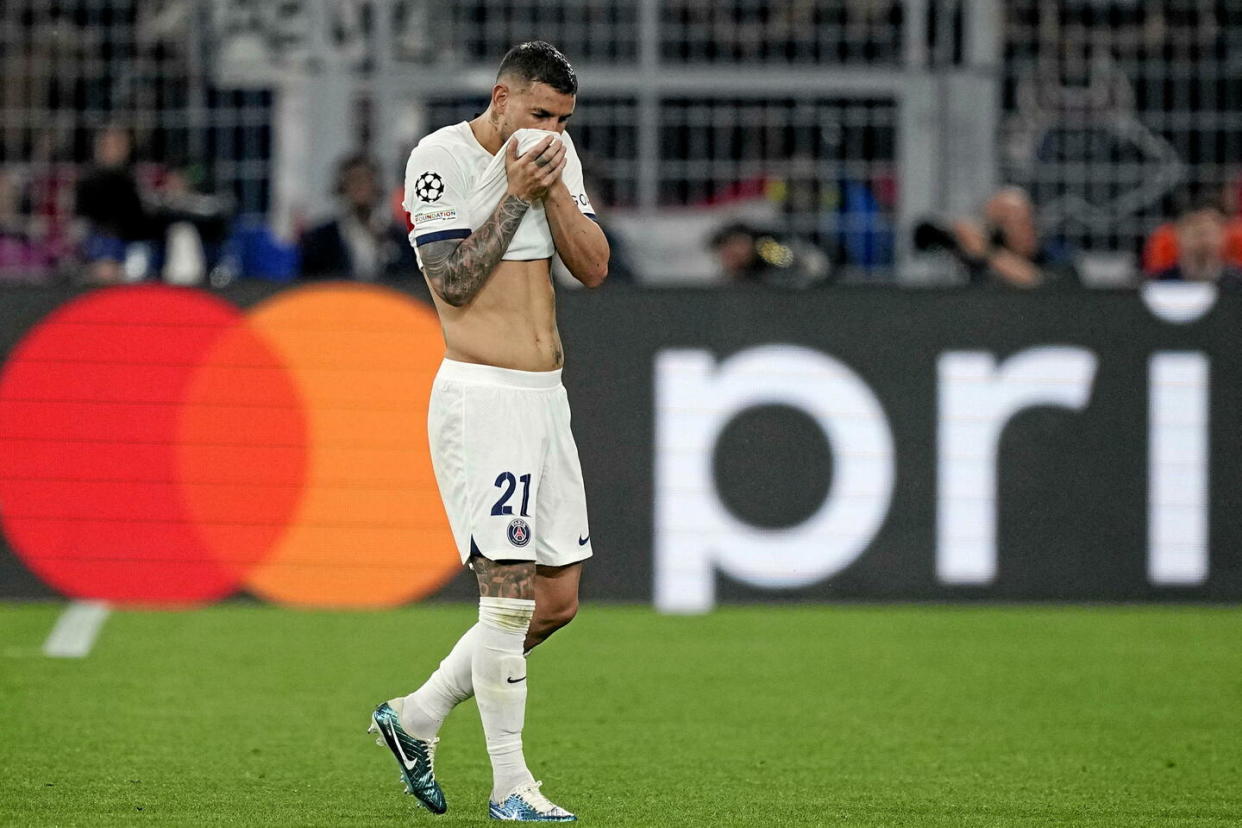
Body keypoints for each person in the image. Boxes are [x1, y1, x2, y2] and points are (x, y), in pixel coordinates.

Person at [367, 41, 607, 822]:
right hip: (483, 396)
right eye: (539, 114)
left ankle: (415, 717)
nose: (550, 130)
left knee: (556, 601)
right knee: (506, 597)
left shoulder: (554, 159)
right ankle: (510, 785)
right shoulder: (437, 159)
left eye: (563, 119)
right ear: (500, 98)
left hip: (545, 398)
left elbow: (596, 267)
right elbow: (453, 285)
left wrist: (554, 193)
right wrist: (511, 195)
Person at [299, 153, 414, 280]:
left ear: (377, 186)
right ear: (342, 187)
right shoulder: (321, 240)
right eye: (353, 180)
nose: (360, 187)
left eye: (366, 180)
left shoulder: (399, 240)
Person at [945, 186, 1079, 288]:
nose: (1029, 228)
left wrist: (987, 251)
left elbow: (1044, 288)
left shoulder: (1056, 254)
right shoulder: (980, 263)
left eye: (1030, 218)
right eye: (1014, 222)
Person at [1153, 200, 1242, 290]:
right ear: (1177, 234)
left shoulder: (1238, 282)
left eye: (1208, 230)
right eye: (1194, 230)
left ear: (1223, 234)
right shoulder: (1159, 284)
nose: (1201, 238)